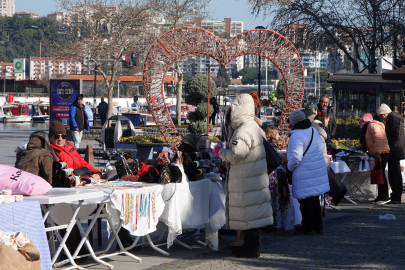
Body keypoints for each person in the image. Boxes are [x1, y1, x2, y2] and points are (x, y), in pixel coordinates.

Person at [214, 94, 272, 258]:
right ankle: (249, 247)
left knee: (251, 217)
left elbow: (236, 154)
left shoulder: (244, 129)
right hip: (251, 178)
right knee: (251, 216)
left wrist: (220, 152)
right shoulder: (251, 126)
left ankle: (251, 250)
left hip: (248, 180)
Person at [287, 110, 329, 235]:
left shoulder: (297, 135)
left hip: (303, 172)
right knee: (314, 199)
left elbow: (296, 157)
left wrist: (289, 168)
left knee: (305, 201)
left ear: (293, 122)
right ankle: (318, 226)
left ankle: (308, 227)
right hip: (314, 170)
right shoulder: (313, 131)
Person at [360, 113, 390, 204]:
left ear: (365, 121)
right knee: (379, 174)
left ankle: (384, 197)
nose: (360, 124)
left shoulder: (372, 125)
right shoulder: (370, 126)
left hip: (381, 153)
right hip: (381, 152)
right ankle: (380, 196)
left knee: (380, 174)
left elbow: (378, 138)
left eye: (361, 122)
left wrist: (377, 152)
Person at [377, 104, 405, 204]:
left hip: (394, 150)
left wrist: (387, 144)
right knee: (394, 174)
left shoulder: (393, 118)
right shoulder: (393, 118)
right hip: (394, 150)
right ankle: (395, 197)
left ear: (385, 113)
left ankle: (396, 198)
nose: (381, 118)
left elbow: (395, 135)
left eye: (381, 115)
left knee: (394, 175)